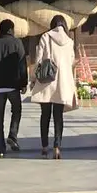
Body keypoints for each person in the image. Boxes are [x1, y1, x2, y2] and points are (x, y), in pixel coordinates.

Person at [31, 14, 77, 159]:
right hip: (62, 83)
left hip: (46, 81)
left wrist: (33, 77)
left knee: (45, 115)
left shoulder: (45, 36)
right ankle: (57, 146)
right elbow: (71, 62)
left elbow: (39, 59)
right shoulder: (69, 41)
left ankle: (44, 146)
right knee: (58, 116)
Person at [0, 19, 28, 158]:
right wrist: (24, 83)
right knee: (17, 110)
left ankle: (0, 148)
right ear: (10, 30)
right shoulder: (17, 43)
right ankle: (13, 135)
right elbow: (22, 64)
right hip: (13, 85)